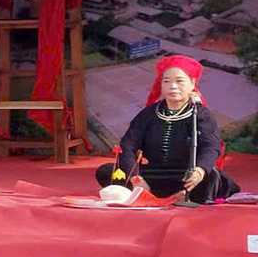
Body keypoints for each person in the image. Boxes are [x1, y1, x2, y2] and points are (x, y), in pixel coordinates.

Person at [96, 56, 241, 205]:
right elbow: (128, 145)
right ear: (161, 85)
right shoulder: (148, 115)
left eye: (179, 81)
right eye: (166, 81)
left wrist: (199, 171)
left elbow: (211, 146)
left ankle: (184, 194)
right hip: (152, 175)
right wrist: (136, 179)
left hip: (186, 175)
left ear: (192, 83)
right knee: (106, 171)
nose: (172, 86)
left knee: (211, 176)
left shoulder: (202, 115)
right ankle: (150, 191)